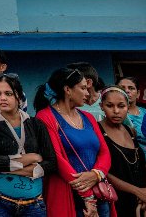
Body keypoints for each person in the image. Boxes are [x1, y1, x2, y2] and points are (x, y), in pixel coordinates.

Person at [34, 68, 114, 217]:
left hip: (99, 193)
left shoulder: (88, 117)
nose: (88, 93)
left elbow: (104, 152)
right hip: (69, 195)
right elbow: (57, 158)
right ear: (67, 90)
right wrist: (87, 196)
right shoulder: (45, 117)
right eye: (83, 88)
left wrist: (96, 174)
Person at [0, 73, 56, 216]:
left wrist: (7, 167)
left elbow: (51, 163)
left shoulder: (36, 124)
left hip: (34, 203)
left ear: (19, 96)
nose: (2, 98)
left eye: (8, 93)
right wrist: (33, 157)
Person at [98, 86, 146, 217]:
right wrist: (137, 191)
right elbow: (102, 173)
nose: (116, 111)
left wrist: (143, 192)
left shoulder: (130, 131)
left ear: (128, 106)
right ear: (102, 106)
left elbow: (139, 166)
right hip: (114, 200)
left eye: (121, 106)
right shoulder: (97, 132)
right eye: (110, 105)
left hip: (139, 201)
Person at [117, 76, 146, 154]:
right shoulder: (113, 115)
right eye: (122, 88)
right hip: (129, 160)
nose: (126, 91)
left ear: (138, 93)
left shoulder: (145, 113)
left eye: (131, 88)